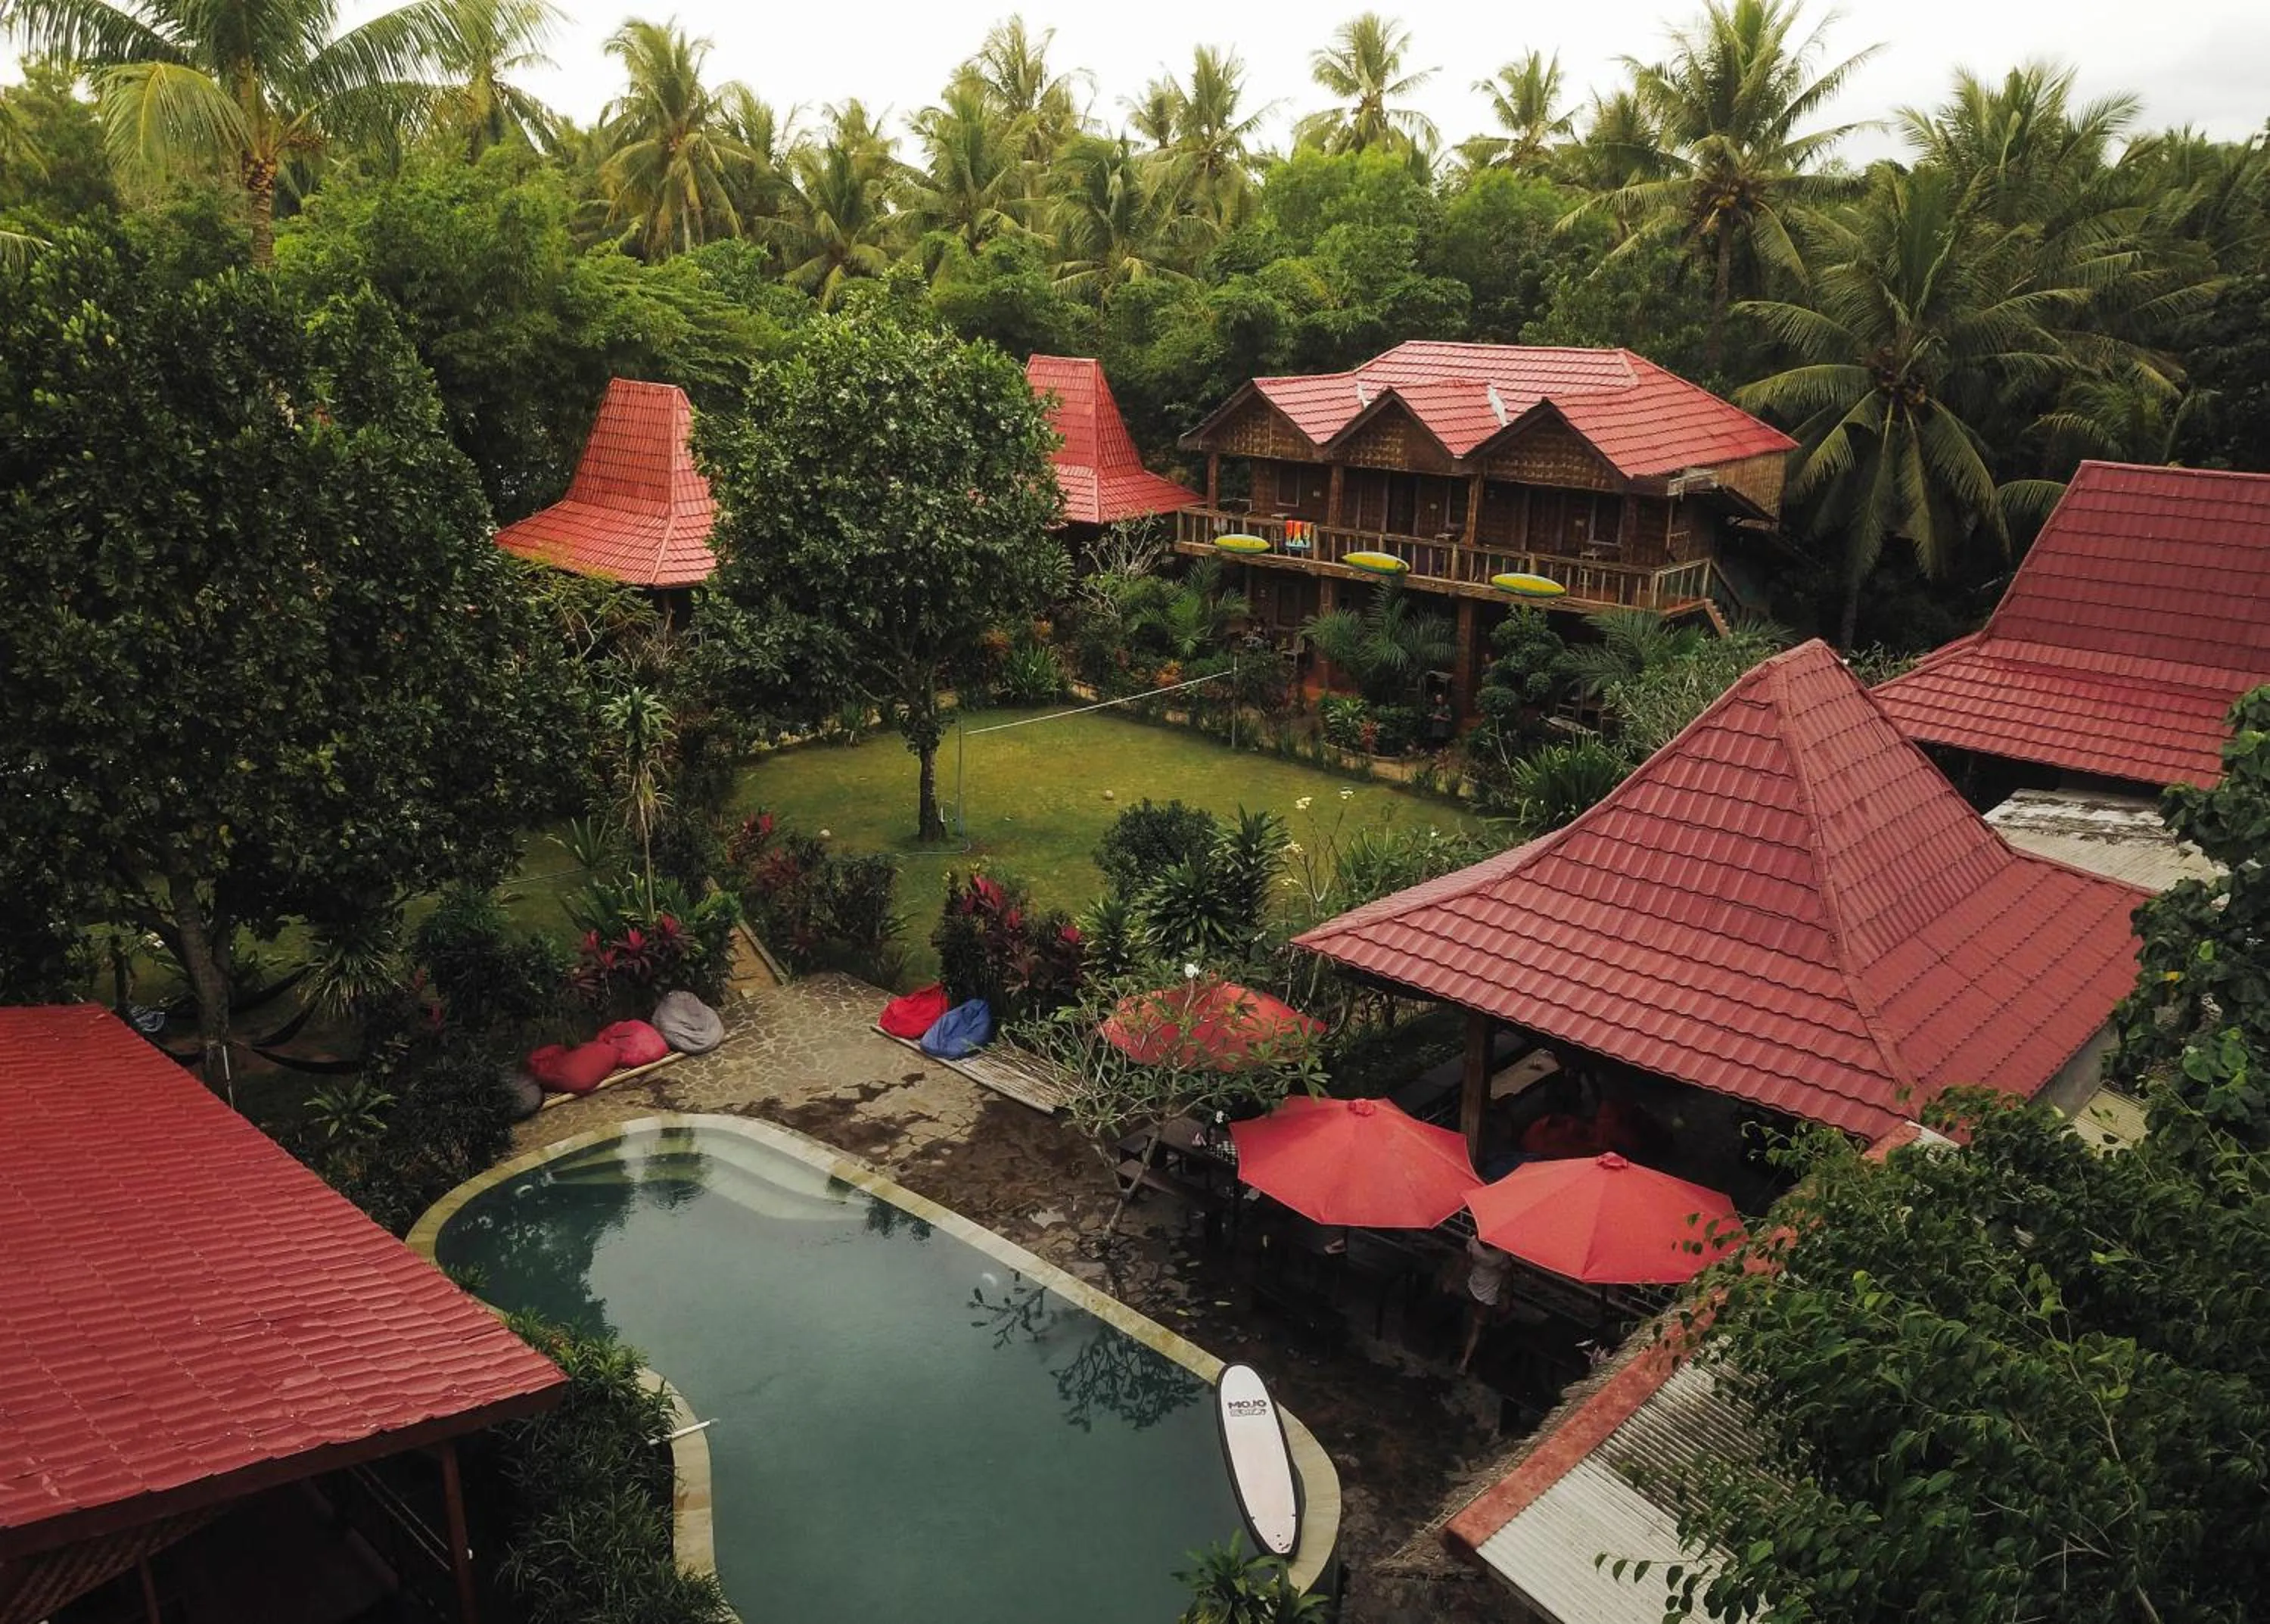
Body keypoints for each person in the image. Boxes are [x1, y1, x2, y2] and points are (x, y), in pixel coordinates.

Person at [1457, 1236, 1513, 1374]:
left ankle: (1464, 1353)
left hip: (1474, 1284)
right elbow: (1507, 1275)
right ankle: (1465, 1362)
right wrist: (1507, 1297)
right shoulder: (1500, 1255)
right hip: (1488, 1295)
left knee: (1472, 1322)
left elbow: (1466, 1261)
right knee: (1477, 1329)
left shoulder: (1473, 1243)